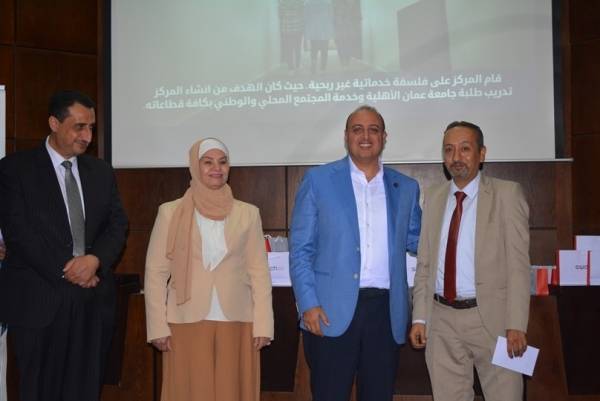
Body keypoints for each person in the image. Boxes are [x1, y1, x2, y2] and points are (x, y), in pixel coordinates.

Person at [0, 90, 128, 401]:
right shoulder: (15, 169)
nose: (87, 136)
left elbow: (117, 225)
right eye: (79, 127)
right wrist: (71, 269)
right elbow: (19, 233)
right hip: (39, 303)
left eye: (91, 128)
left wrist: (94, 261)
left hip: (91, 304)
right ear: (54, 123)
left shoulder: (101, 172)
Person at [290, 105, 422, 401]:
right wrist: (308, 303)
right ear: (346, 136)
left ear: (384, 137)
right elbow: (300, 249)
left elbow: (420, 241)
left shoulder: (406, 188)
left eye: (374, 130)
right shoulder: (318, 180)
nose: (365, 136)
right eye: (357, 129)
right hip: (329, 312)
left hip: (385, 313)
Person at [144, 138, 274, 401]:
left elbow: (259, 272)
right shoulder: (170, 212)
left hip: (238, 320)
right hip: (185, 318)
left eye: (222, 162)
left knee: (232, 393)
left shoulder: (248, 213)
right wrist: (157, 326)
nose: (217, 168)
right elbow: (155, 272)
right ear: (195, 166)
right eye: (208, 162)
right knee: (189, 392)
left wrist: (264, 324)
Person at [409, 121, 530, 401]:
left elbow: (518, 266)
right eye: (449, 150)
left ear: (481, 153)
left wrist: (516, 324)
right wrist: (420, 318)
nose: (456, 157)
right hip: (441, 320)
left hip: (493, 321)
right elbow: (425, 264)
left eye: (465, 149)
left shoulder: (507, 194)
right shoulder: (434, 197)